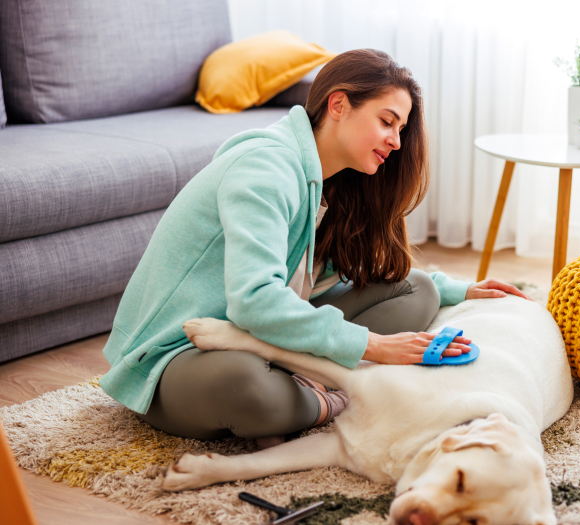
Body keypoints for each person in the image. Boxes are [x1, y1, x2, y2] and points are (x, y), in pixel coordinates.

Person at [99, 49, 530, 447]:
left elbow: (334, 274)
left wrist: (462, 289)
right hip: (174, 359)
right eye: (387, 121)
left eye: (400, 128)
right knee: (249, 386)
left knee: (418, 289)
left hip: (254, 339)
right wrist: (373, 347)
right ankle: (333, 396)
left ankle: (310, 388)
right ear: (338, 105)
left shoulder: (329, 179)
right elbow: (254, 302)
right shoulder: (265, 167)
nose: (397, 142)